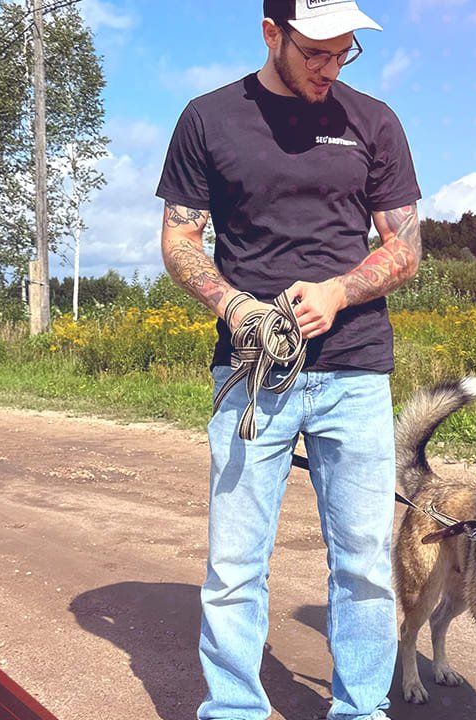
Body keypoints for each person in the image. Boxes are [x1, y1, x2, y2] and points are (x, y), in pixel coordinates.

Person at [154, 1, 423, 718]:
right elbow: (180, 238)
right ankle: (235, 709)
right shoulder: (207, 119)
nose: (331, 68)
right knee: (235, 566)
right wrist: (234, 305)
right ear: (272, 34)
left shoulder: (374, 121)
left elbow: (406, 246)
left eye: (344, 54)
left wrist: (339, 291)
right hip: (252, 378)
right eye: (316, 53)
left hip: (356, 371)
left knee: (364, 565)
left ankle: (362, 709)